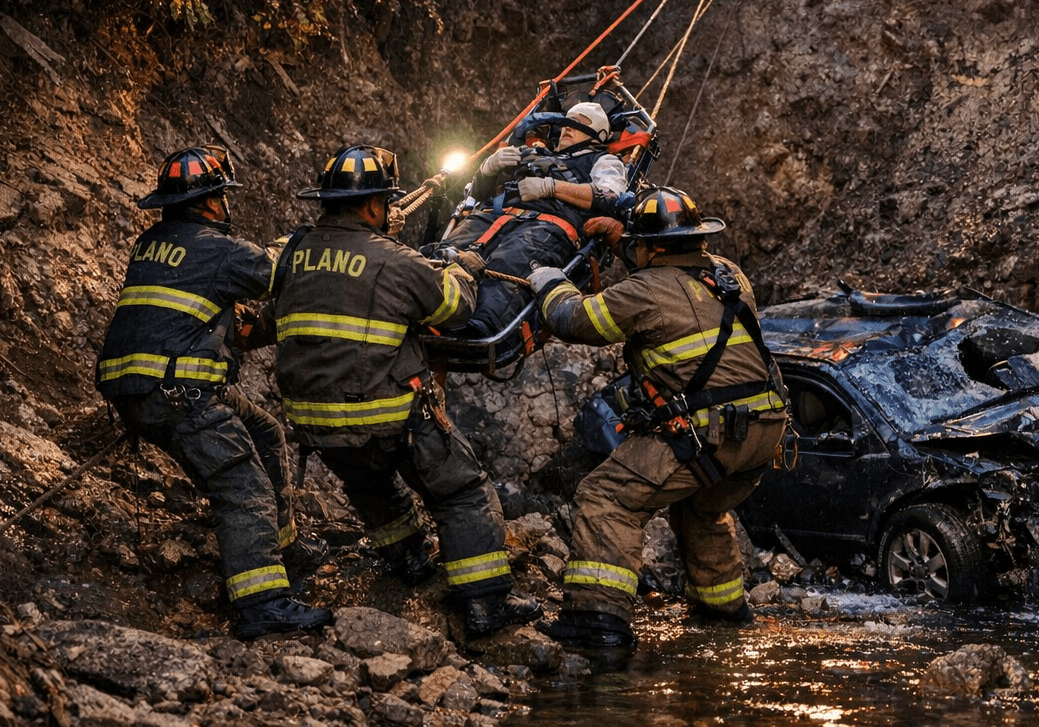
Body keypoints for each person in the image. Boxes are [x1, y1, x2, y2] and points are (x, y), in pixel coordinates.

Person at [272, 143, 539, 636]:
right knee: (461, 490)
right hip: (386, 418)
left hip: (313, 422)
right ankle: (485, 602)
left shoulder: (292, 253)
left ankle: (410, 559)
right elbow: (454, 309)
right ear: (375, 205)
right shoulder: (396, 261)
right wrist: (464, 269)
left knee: (368, 483)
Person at [528, 187, 789, 648]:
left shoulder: (643, 291)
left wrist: (549, 283)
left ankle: (597, 622)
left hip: (710, 432)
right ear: (699, 237)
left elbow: (573, 319)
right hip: (764, 432)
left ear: (648, 248)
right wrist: (625, 243)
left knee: (606, 498)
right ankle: (724, 612)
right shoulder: (729, 273)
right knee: (701, 507)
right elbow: (673, 283)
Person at [95, 146, 333, 640]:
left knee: (265, 432)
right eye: (223, 195)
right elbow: (276, 274)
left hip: (137, 389)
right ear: (209, 202)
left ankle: (284, 547)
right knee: (242, 488)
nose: (227, 204)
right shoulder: (218, 249)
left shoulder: (151, 244)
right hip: (179, 393)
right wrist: (310, 239)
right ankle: (262, 602)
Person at [437, 101, 627, 339]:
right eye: (566, 122)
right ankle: (423, 301)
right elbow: (474, 198)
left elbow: (610, 196)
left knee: (509, 263)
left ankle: (480, 325)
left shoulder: (603, 161)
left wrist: (551, 187)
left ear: (598, 134)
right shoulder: (532, 154)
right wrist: (487, 170)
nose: (567, 128)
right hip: (492, 215)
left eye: (579, 124)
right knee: (447, 252)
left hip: (548, 224)